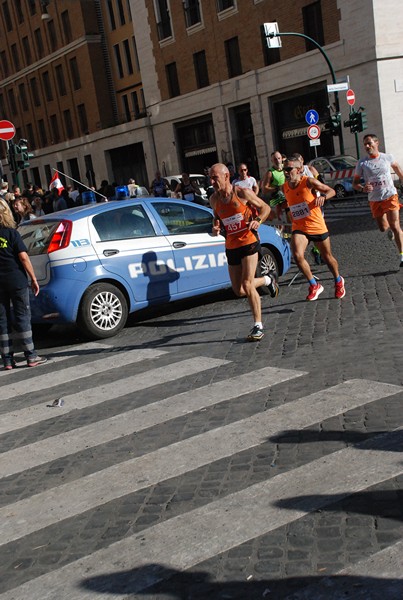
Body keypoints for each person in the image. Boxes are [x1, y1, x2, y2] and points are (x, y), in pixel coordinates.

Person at [209, 163, 278, 342]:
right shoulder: (213, 199)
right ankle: (267, 279)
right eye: (210, 178)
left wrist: (257, 220)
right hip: (231, 245)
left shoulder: (242, 193)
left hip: (248, 241)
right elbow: (217, 218)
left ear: (226, 177)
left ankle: (258, 326)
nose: (212, 181)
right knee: (238, 290)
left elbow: (265, 208)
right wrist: (216, 227)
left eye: (214, 177)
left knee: (247, 284)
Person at [282, 156, 346, 301]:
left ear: (298, 170)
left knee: (327, 257)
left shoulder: (308, 181)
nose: (286, 172)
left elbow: (331, 191)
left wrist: (323, 197)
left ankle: (338, 280)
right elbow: (287, 202)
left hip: (316, 225)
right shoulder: (284, 187)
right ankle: (314, 285)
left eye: (289, 169)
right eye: (284, 169)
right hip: (299, 226)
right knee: (297, 255)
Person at [0, 202, 47, 369]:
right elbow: (24, 258)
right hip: (16, 280)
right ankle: (31, 355)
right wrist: (33, 278)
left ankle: (6, 359)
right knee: (22, 317)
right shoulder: (12, 234)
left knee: (2, 320)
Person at [352, 133, 403, 268]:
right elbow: (355, 183)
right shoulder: (362, 163)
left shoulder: (387, 157)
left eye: (369, 143)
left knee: (396, 225)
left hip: (390, 195)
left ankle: (402, 255)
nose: (367, 146)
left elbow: (397, 169)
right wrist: (363, 188)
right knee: (383, 228)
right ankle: (389, 229)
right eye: (365, 144)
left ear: (377, 143)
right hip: (374, 199)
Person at [260, 151, 286, 221]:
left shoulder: (286, 168)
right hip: (276, 198)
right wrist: (277, 188)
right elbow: (264, 189)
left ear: (282, 159)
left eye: (279, 158)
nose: (277, 161)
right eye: (275, 159)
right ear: (272, 161)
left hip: (288, 196)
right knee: (280, 221)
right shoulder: (270, 172)